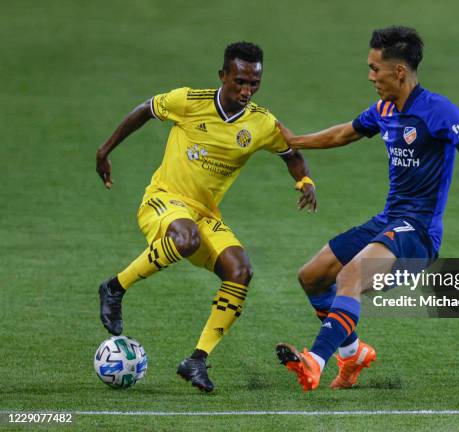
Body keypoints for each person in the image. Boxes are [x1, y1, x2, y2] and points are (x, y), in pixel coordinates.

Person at [275, 26, 459, 391]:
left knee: (350, 276)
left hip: (419, 234)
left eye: (375, 68)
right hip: (389, 221)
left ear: (398, 71)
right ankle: (352, 354)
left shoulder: (438, 111)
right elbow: (343, 133)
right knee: (312, 275)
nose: (370, 76)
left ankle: (314, 361)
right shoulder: (384, 109)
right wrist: (295, 141)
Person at [96, 42, 316, 393]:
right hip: (163, 201)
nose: (246, 90)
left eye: (254, 84)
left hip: (204, 214)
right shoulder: (189, 101)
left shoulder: (260, 123)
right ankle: (114, 287)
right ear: (223, 76)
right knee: (185, 239)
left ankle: (196, 359)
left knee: (240, 270)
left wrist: (304, 180)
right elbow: (144, 110)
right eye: (240, 81)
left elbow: (291, 153)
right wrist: (104, 151)